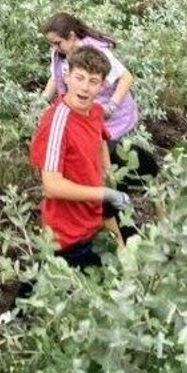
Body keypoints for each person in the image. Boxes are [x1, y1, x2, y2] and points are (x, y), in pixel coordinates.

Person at [29, 46, 129, 271]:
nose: (85, 87)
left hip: (93, 222)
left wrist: (107, 174)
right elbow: (52, 186)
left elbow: (100, 138)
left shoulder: (95, 111)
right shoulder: (57, 121)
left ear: (103, 86)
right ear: (67, 76)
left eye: (93, 81)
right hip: (66, 235)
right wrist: (104, 193)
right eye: (79, 78)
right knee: (39, 297)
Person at [40, 13, 159, 187]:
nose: (54, 47)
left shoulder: (95, 53)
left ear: (72, 36)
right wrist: (42, 101)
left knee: (115, 157)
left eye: (57, 43)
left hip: (113, 117)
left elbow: (126, 77)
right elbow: (55, 76)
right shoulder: (60, 53)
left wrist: (111, 106)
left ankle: (118, 188)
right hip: (87, 113)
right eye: (51, 43)